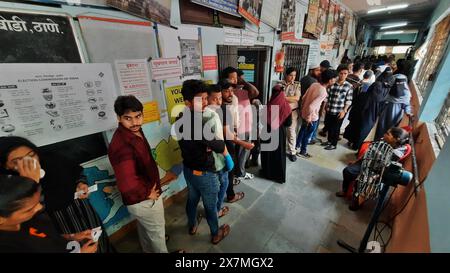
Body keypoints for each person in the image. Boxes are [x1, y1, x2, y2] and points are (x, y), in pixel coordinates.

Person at [0, 136, 113, 253]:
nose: (29, 162)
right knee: (75, 246)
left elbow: (75, 171)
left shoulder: (51, 159)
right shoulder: (9, 187)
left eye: (31, 155)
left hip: (81, 208)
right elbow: (37, 213)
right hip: (59, 220)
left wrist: (81, 183)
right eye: (18, 161)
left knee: (97, 239)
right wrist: (30, 182)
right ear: (5, 165)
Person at [108, 95, 170, 253]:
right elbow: (127, 183)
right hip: (144, 199)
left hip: (143, 196)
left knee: (146, 231)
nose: (135, 122)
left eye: (138, 116)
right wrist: (147, 193)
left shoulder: (135, 131)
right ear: (118, 118)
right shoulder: (122, 144)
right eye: (128, 118)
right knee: (158, 235)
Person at [174, 80, 232, 244]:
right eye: (201, 99)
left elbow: (188, 143)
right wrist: (212, 147)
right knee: (210, 206)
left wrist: (205, 146)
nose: (206, 103)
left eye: (207, 98)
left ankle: (192, 225)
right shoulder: (200, 123)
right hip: (205, 174)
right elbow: (220, 145)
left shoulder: (180, 117)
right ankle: (215, 234)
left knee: (192, 199)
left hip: (189, 170)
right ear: (187, 102)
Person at [0, 175, 98, 253]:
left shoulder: (30, 220)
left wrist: (70, 237)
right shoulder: (8, 246)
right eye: (29, 209)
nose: (40, 207)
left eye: (38, 202)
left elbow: (45, 237)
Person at [336, 127, 410, 210]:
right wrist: (358, 161)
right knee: (348, 171)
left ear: (396, 139)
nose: (384, 135)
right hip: (368, 163)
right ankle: (345, 190)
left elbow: (383, 166)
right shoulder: (384, 140)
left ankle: (357, 201)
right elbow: (369, 152)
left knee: (362, 181)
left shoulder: (397, 153)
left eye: (388, 134)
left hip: (377, 170)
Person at [221, 67, 259, 181]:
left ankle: (239, 171)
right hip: (236, 129)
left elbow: (256, 92)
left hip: (246, 126)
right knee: (240, 153)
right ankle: (240, 173)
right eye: (232, 78)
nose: (235, 80)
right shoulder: (225, 95)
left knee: (242, 153)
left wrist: (244, 82)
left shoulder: (242, 91)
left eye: (236, 77)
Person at [218, 79, 252, 204]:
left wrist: (236, 129)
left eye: (231, 90)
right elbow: (226, 134)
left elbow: (236, 116)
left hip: (231, 137)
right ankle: (231, 196)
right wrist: (244, 144)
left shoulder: (232, 101)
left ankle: (230, 184)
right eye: (226, 91)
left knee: (230, 166)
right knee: (229, 167)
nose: (230, 94)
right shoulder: (220, 109)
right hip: (225, 142)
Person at [296, 70, 337, 158]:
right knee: (307, 135)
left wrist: (303, 111)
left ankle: (296, 147)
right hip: (311, 117)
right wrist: (309, 118)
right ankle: (303, 152)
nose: (335, 80)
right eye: (334, 79)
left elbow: (303, 98)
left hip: (304, 113)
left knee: (302, 131)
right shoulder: (323, 92)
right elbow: (312, 106)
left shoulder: (314, 84)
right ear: (330, 80)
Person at [206, 84, 231, 217]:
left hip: (216, 157)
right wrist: (227, 156)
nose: (218, 102)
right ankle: (216, 210)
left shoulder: (217, 112)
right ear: (206, 99)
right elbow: (218, 142)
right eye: (214, 99)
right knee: (223, 183)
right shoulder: (210, 116)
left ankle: (214, 208)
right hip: (216, 159)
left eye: (220, 98)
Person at [260, 84, 292, 183]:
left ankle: (267, 172)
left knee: (267, 154)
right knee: (278, 154)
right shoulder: (286, 107)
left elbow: (262, 120)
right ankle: (278, 175)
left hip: (267, 132)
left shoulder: (269, 105)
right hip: (279, 133)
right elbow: (288, 123)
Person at [355, 70, 394, 149]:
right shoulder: (388, 88)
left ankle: (355, 142)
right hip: (375, 110)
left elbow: (369, 93)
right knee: (366, 126)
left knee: (360, 123)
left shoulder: (376, 84)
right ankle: (358, 145)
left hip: (367, 105)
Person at [321, 65, 353, 150]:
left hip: (339, 112)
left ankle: (333, 144)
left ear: (347, 74)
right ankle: (329, 141)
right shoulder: (332, 84)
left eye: (345, 73)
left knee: (336, 129)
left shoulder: (349, 86)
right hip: (330, 109)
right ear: (338, 73)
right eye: (341, 73)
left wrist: (344, 111)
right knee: (328, 126)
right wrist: (325, 106)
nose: (342, 75)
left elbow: (349, 100)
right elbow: (327, 96)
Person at [375, 73, 413, 140]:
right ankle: (377, 141)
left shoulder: (406, 93)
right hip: (385, 112)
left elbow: (407, 104)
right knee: (381, 128)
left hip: (396, 115)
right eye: (397, 82)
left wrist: (408, 112)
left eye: (400, 83)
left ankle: (385, 144)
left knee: (391, 131)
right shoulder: (391, 87)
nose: (398, 84)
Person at [281, 67, 301, 162]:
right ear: (286, 75)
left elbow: (296, 98)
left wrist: (282, 97)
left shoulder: (297, 85)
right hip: (280, 111)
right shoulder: (279, 84)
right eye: (290, 75)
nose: (293, 77)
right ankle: (281, 149)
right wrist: (289, 98)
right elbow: (275, 96)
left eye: (294, 75)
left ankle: (292, 152)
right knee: (280, 131)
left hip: (292, 112)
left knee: (291, 131)